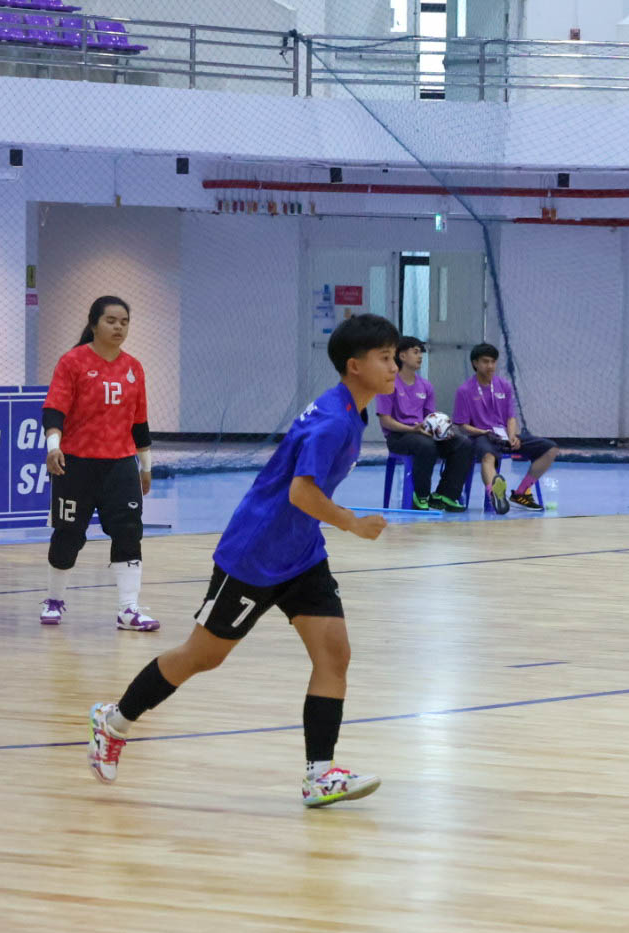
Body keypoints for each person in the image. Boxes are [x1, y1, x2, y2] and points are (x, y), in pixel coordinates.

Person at [85, 314, 400, 807]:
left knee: (334, 654)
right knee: (203, 656)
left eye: (395, 356)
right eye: (385, 358)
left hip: (301, 553)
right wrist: (352, 523)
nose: (395, 366)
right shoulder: (334, 421)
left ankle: (319, 775)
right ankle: (114, 721)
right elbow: (301, 493)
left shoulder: (349, 410)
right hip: (255, 553)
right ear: (354, 366)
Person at [40, 295, 159, 632]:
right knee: (68, 533)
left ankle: (128, 609)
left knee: (129, 531)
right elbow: (54, 410)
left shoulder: (134, 367)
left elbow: (139, 423)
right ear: (94, 324)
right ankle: (53, 600)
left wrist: (146, 467)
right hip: (76, 464)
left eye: (124, 322)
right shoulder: (73, 362)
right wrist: (53, 447)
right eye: (111, 320)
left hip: (120, 465)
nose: (119, 327)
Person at [453, 343, 558, 512]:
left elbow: (510, 417)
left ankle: (521, 493)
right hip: (481, 436)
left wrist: (512, 436)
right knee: (488, 456)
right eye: (485, 361)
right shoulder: (464, 391)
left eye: (493, 362)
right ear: (475, 363)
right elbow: (462, 426)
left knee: (550, 449)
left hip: (504, 435)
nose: (490, 366)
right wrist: (482, 431)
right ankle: (494, 494)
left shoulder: (504, 386)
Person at [376, 335, 473, 511]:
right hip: (399, 436)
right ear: (402, 356)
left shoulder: (426, 386)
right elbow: (386, 420)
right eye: (415, 352)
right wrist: (411, 429)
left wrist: (443, 428)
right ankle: (421, 496)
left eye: (421, 352)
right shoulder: (388, 383)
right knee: (426, 446)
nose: (420, 356)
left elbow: (430, 417)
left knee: (463, 444)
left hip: (423, 433)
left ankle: (445, 495)